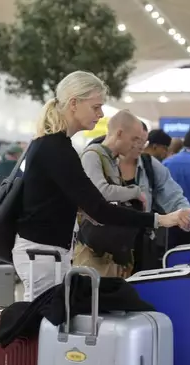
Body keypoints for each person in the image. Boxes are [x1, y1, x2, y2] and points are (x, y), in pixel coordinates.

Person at [12, 70, 190, 301]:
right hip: (41, 255)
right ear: (74, 103)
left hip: (48, 253)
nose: (101, 114)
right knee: (43, 329)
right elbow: (99, 208)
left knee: (50, 328)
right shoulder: (56, 150)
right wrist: (160, 219)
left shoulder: (56, 146)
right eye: (95, 107)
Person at [73, 110, 148, 277]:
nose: (136, 145)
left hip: (110, 251)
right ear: (120, 133)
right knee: (92, 299)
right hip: (92, 252)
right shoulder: (92, 155)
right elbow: (102, 192)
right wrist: (135, 192)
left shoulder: (112, 160)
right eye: (134, 139)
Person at [118, 122, 190, 270]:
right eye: (136, 140)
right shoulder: (100, 160)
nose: (140, 146)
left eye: (143, 141)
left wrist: (184, 213)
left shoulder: (149, 165)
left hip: (141, 243)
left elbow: (172, 194)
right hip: (106, 247)